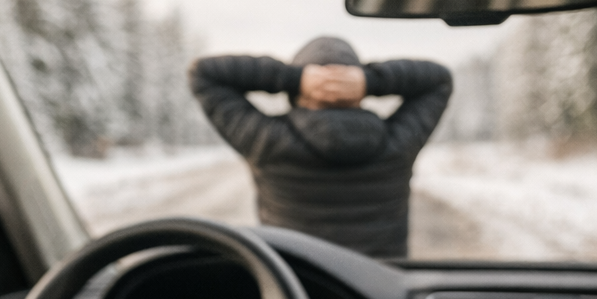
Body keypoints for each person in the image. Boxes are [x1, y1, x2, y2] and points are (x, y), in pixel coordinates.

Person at [189, 36, 453, 259]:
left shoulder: (269, 142)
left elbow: (204, 74)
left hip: (295, 288)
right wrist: (372, 80)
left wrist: (295, 78)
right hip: (381, 291)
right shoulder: (397, 144)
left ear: (295, 95)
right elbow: (439, 80)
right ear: (358, 93)